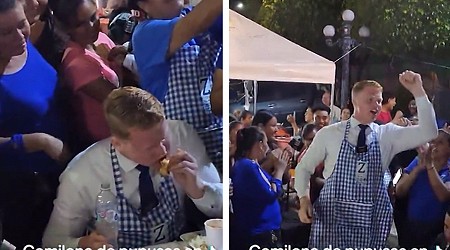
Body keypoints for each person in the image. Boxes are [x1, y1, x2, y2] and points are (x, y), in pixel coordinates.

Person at [42, 87, 222, 248]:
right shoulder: (81, 174)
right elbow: (52, 242)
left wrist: (198, 189)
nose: (162, 150)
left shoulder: (183, 135)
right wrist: (82, 244)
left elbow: (223, 208)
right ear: (118, 144)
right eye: (150, 147)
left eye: (163, 139)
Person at [295, 71, 438, 248]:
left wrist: (418, 91)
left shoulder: (388, 134)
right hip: (332, 219)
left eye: (378, 100)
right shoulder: (329, 134)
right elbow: (303, 168)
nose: (376, 105)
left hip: (372, 222)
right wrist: (303, 199)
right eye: (370, 99)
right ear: (355, 102)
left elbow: (429, 132)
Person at [0, 0, 69, 247]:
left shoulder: (22, 45)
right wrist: (36, 141)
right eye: (5, 32)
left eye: (22, 25)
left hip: (57, 176)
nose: (19, 35)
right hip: (19, 191)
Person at [129, 0, 223, 172]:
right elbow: (195, 23)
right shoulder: (145, 33)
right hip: (180, 146)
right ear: (143, 4)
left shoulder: (194, 16)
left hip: (216, 136)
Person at [231, 126, 290, 250]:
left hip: (262, 230)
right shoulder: (248, 165)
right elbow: (270, 193)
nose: (268, 148)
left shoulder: (249, 165)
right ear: (260, 144)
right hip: (260, 232)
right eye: (266, 143)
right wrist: (279, 170)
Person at [395, 129, 450, 248]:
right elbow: (399, 191)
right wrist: (418, 169)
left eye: (440, 143)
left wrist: (430, 166)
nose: (434, 146)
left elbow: (443, 195)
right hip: (410, 225)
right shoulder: (418, 161)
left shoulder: (448, 168)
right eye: (432, 142)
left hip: (436, 230)